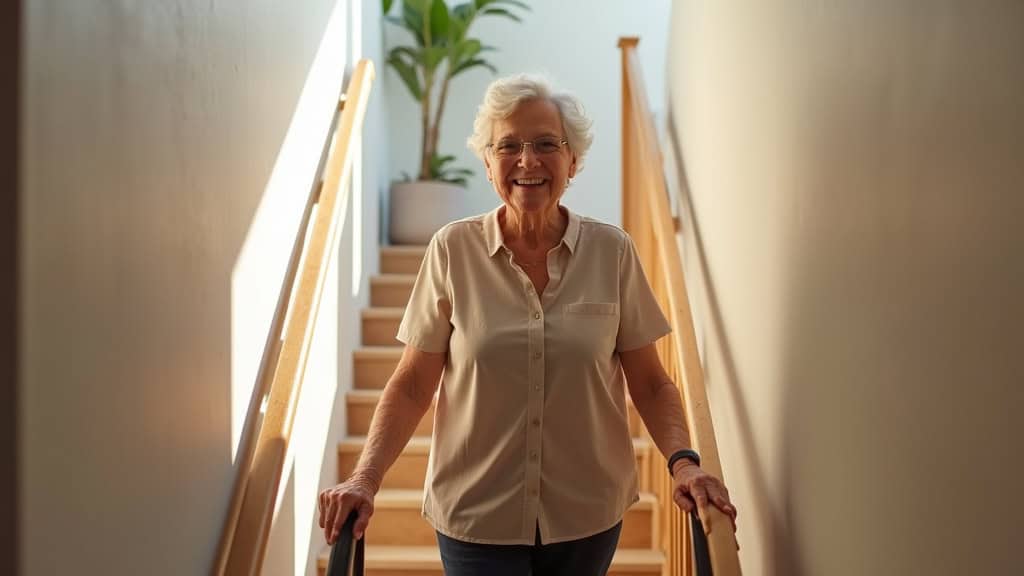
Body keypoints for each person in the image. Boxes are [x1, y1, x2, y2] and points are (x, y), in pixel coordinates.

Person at [318, 74, 737, 575]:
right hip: (477, 513)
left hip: (586, 513)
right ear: (489, 162)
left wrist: (684, 462)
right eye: (509, 146)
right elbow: (412, 385)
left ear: (573, 160)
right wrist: (364, 477)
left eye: (545, 144)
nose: (527, 161)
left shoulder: (613, 253)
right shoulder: (453, 251)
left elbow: (649, 382)